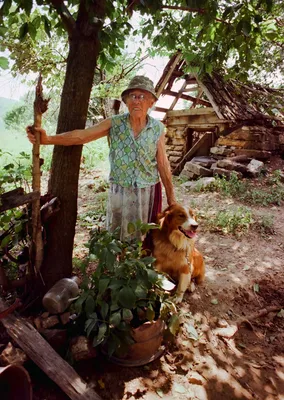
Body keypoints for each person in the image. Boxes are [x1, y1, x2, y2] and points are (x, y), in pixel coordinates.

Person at [27, 75, 176, 241]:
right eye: (133, 96)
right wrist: (48, 139)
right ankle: (119, 264)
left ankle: (140, 266)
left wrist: (171, 198)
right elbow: (81, 136)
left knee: (147, 238)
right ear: (126, 101)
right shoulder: (115, 123)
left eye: (142, 96)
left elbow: (163, 164)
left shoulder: (157, 129)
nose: (137, 101)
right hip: (121, 189)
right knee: (117, 237)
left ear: (151, 102)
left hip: (147, 191)